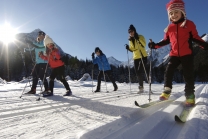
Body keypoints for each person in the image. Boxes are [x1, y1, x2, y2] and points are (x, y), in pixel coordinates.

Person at [148, 0, 208, 106]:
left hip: (187, 54)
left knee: (188, 75)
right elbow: (166, 41)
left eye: (176, 12)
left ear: (182, 12)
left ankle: (190, 97)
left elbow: (195, 37)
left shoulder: (189, 24)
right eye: (171, 13)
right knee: (168, 71)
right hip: (174, 54)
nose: (173, 15)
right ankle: (167, 91)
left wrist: (204, 45)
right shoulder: (169, 28)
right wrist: (155, 45)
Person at [125, 24, 148, 93]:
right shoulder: (130, 40)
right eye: (129, 32)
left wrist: (137, 39)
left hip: (142, 56)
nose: (130, 33)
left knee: (140, 71)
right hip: (136, 57)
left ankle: (141, 87)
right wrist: (128, 48)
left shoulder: (140, 37)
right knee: (137, 72)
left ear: (134, 31)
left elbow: (144, 45)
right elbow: (133, 49)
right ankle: (141, 85)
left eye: (131, 31)